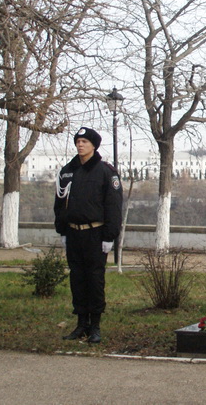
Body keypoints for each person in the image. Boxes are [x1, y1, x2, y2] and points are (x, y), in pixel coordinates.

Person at [54, 127, 123, 344]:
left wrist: (109, 236)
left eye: (84, 141)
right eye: (78, 141)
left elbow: (113, 205)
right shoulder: (68, 171)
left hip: (95, 233)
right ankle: (81, 324)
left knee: (94, 279)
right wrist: (62, 230)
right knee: (77, 279)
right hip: (74, 234)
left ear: (94, 145)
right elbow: (59, 204)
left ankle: (95, 326)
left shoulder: (105, 171)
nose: (80, 145)